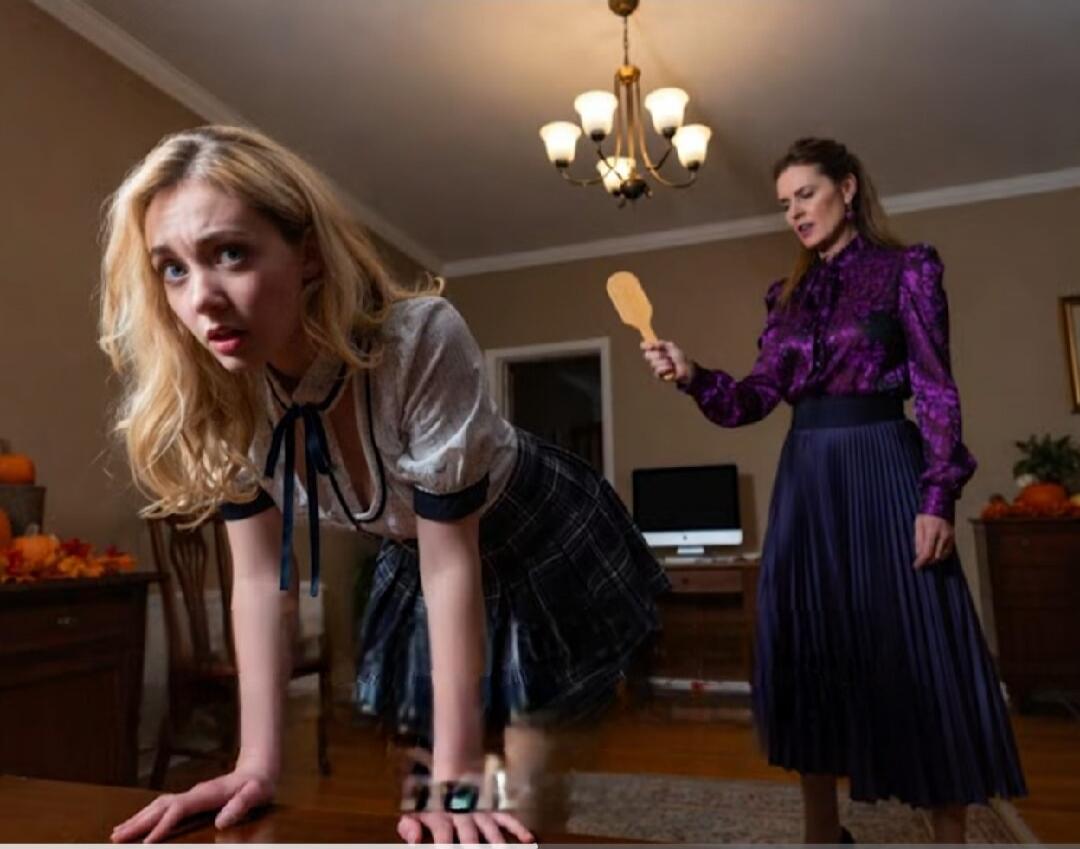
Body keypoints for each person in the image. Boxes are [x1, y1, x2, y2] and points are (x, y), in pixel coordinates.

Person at [101, 125, 669, 844]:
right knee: (421, 800)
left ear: (307, 254)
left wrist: (463, 780)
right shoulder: (222, 396)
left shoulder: (420, 340)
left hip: (532, 533)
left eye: (230, 253)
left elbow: (451, 557)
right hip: (414, 552)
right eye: (172, 269)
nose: (202, 298)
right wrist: (256, 762)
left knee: (519, 789)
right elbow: (259, 579)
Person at [641, 137, 1026, 844]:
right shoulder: (786, 298)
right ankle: (824, 833)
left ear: (847, 189)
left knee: (918, 648)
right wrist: (693, 372)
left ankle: (950, 837)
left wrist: (936, 498)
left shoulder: (907, 269)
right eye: (785, 203)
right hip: (808, 482)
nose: (794, 212)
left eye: (806, 194)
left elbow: (936, 388)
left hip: (885, 468)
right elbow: (754, 398)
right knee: (808, 649)